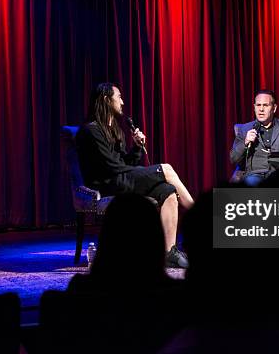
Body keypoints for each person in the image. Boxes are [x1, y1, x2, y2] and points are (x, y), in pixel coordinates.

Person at [76, 83, 193, 268]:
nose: (122, 102)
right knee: (166, 169)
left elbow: (126, 164)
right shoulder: (91, 131)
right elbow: (112, 167)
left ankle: (169, 251)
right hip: (109, 183)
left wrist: (137, 147)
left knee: (168, 191)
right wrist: (149, 172)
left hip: (122, 178)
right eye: (119, 97)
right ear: (107, 100)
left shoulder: (115, 130)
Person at [230, 89, 279, 186]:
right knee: (252, 184)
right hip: (255, 175)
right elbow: (233, 159)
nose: (261, 109)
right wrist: (245, 142)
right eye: (258, 105)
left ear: (274, 108)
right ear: (254, 107)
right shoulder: (245, 129)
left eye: (265, 105)